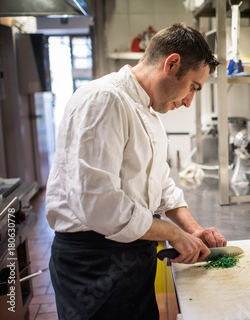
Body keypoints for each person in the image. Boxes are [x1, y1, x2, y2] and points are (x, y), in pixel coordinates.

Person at [45, 23, 223, 320]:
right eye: (193, 86)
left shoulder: (147, 111)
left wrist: (193, 230)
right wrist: (171, 233)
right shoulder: (104, 99)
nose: (190, 100)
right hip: (94, 264)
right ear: (172, 63)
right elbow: (100, 205)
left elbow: (162, 185)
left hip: (132, 255)